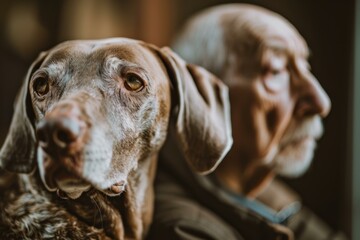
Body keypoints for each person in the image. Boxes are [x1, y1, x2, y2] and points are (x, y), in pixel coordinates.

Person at [147, 4, 348, 240]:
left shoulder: (260, 193)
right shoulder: (182, 230)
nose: (320, 102)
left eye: (305, 67)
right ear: (202, 99)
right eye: (276, 71)